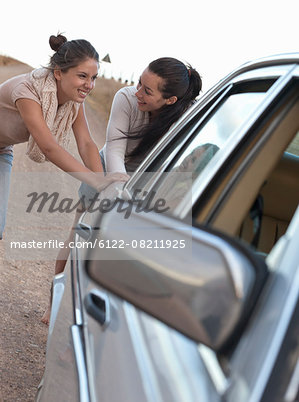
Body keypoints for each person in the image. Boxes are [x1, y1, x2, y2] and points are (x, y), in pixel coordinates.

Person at [41, 56, 202, 325]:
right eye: (139, 83)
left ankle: (84, 317)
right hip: (109, 167)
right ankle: (53, 303)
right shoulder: (126, 98)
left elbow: (173, 168)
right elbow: (114, 148)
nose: (137, 91)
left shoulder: (185, 119)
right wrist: (116, 193)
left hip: (146, 177)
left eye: (147, 91)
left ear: (170, 100)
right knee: (77, 231)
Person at [0, 33, 128, 240]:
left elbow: (86, 143)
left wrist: (103, 183)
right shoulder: (27, 91)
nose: (90, 85)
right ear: (59, 73)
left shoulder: (73, 101)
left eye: (93, 78)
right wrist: (97, 182)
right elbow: (49, 147)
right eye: (82, 76)